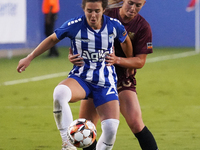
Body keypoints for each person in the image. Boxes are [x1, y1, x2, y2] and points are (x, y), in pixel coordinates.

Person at [17, 0, 133, 150]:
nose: (93, 15)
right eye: (89, 10)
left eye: (97, 11)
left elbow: (126, 42)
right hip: (81, 78)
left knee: (111, 128)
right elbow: (52, 39)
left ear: (103, 10)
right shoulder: (74, 25)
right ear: (84, 9)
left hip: (105, 82)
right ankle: (67, 143)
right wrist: (29, 57)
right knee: (60, 92)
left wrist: (126, 62)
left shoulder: (114, 25)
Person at [69, 0, 159, 150]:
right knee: (86, 126)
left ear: (144, 4)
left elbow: (140, 61)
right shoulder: (106, 13)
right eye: (130, 3)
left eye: (138, 5)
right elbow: (81, 33)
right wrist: (71, 54)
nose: (133, 8)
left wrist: (118, 60)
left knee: (136, 123)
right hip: (96, 76)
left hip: (122, 77)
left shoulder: (143, 27)